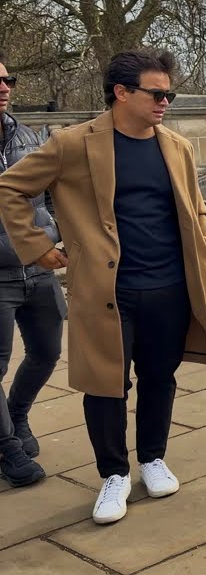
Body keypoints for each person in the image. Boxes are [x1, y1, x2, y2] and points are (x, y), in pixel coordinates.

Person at [0, 48, 206, 524]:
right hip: (108, 291)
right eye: (157, 93)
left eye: (170, 93)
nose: (166, 102)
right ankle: (114, 475)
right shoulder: (73, 143)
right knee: (106, 386)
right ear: (122, 93)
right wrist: (38, 247)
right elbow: (10, 189)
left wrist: (205, 248)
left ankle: (152, 458)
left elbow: (195, 207)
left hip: (170, 285)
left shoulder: (176, 146)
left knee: (160, 377)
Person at [0, 54, 66, 489]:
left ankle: (17, 414)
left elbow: (57, 193)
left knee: (46, 353)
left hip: (38, 268)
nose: (4, 87)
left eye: (8, 79)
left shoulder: (29, 136)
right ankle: (6, 447)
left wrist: (54, 233)